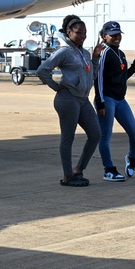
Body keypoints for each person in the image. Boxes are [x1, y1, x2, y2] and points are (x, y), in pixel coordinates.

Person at [36, 14, 102, 187]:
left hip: (83, 99)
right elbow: (42, 70)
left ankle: (78, 169)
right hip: (68, 99)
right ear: (68, 32)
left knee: (95, 134)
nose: (82, 36)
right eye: (79, 32)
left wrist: (95, 57)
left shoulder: (84, 53)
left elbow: (92, 75)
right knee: (68, 138)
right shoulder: (64, 52)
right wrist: (56, 86)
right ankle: (67, 176)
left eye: (85, 33)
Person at [93, 21, 135, 181]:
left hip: (120, 100)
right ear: (104, 36)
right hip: (106, 99)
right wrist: (100, 102)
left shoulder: (119, 53)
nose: (116, 37)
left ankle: (132, 157)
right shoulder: (105, 53)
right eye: (112, 35)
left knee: (134, 133)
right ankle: (108, 169)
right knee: (106, 136)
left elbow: (122, 78)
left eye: (118, 34)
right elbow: (98, 79)